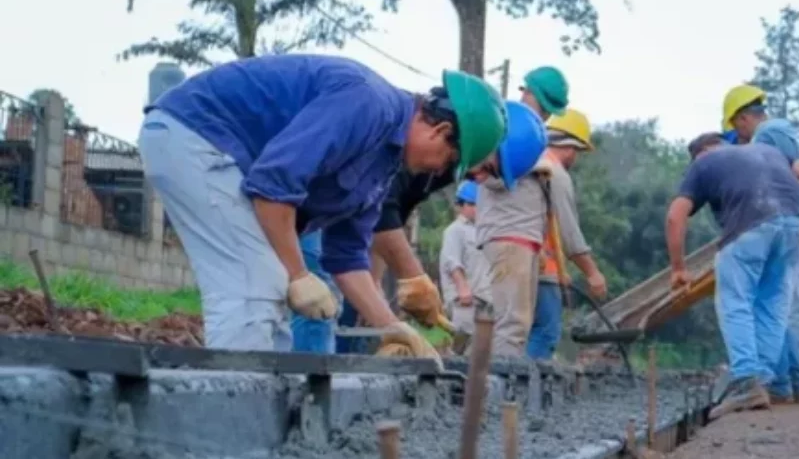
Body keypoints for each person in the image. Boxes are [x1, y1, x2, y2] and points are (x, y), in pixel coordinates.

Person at [138, 54, 506, 355]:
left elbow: (346, 257)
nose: (438, 170)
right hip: (195, 136)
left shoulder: (383, 165)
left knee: (273, 292)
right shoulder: (368, 105)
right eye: (447, 159)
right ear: (439, 131)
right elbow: (273, 186)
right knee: (255, 285)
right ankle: (233, 424)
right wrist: (299, 274)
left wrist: (392, 329)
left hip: (219, 156)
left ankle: (268, 415)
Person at [664, 133, 799, 420]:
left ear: (700, 154)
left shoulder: (704, 163)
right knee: (773, 304)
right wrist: (793, 212)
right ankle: (763, 381)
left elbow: (676, 215)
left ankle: (747, 379)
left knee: (736, 301)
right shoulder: (767, 151)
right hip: (792, 225)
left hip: (751, 225)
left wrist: (678, 269)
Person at [473, 100, 552, 358]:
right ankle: (500, 390)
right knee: (512, 324)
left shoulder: (524, 147)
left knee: (518, 323)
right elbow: (491, 178)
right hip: (509, 239)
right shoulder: (492, 149)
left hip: (520, 239)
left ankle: (497, 385)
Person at [752, 119, 799, 403]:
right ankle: (798, 380)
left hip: (795, 245)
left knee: (788, 310)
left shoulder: (788, 170)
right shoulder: (783, 172)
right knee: (787, 310)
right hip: (795, 244)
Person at [527, 108, 607, 360]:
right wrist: (592, 273)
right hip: (543, 270)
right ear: (571, 147)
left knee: (517, 332)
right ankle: (526, 393)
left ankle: (503, 391)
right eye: (578, 152)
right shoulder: (554, 173)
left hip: (520, 264)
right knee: (545, 333)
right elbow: (568, 231)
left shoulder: (526, 165)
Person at [439, 180, 486, 337]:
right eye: (471, 204)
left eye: (479, 204)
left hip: (484, 300)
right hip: (464, 302)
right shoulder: (454, 231)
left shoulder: (485, 230)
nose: (476, 208)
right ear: (460, 206)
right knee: (461, 348)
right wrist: (462, 288)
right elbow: (451, 262)